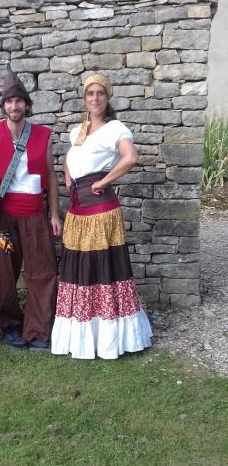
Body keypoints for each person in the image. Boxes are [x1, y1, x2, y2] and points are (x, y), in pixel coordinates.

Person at [51, 73, 152, 360]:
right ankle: (84, 336)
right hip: (77, 211)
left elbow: (130, 157)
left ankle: (108, 337)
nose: (94, 98)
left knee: (104, 270)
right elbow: (69, 160)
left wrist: (103, 181)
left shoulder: (114, 128)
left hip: (100, 211)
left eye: (100, 93)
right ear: (84, 99)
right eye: (90, 94)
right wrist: (69, 179)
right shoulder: (78, 131)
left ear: (107, 98)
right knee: (80, 271)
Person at [0, 70, 62, 349]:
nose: (14, 106)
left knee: (43, 272)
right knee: (3, 275)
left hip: (34, 213)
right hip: (2, 215)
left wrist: (54, 214)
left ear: (26, 105)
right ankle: (9, 325)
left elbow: (51, 177)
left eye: (19, 101)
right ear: (3, 105)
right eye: (9, 101)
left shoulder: (42, 135)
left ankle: (39, 330)